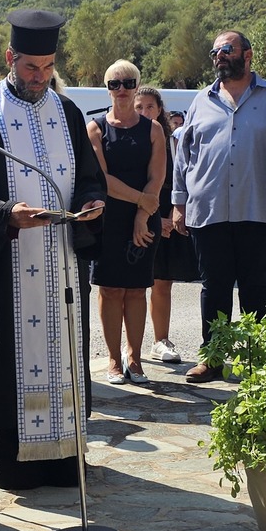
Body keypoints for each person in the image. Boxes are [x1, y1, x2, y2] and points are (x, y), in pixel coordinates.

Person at [0, 10, 105, 489]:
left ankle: (65, 456)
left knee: (67, 351)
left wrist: (92, 201)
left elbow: (90, 176)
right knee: (10, 353)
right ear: (10, 58)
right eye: (31, 67)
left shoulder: (67, 112)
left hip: (63, 261)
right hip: (11, 262)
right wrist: (7, 214)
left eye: (48, 67)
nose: (40, 77)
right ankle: (12, 460)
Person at [173, 30, 266, 382]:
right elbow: (184, 157)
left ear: (247, 54)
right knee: (214, 288)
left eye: (226, 49)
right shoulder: (202, 100)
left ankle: (259, 361)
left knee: (255, 287)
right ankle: (212, 359)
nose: (219, 57)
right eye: (215, 52)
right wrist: (178, 202)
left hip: (259, 209)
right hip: (209, 210)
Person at [88, 60, 166, 384]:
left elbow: (156, 177)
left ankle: (135, 359)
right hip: (109, 219)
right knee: (110, 290)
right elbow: (102, 179)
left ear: (137, 86)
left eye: (128, 83)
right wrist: (140, 201)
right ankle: (114, 360)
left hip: (144, 217)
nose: (121, 89)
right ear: (107, 89)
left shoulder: (153, 129)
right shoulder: (95, 129)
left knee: (136, 291)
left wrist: (142, 215)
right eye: (114, 84)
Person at [144, 99, 197, 365]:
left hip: (167, 215)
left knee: (162, 283)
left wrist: (170, 217)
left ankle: (160, 341)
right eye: (139, 107)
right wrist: (154, 220)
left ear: (160, 110)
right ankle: (126, 350)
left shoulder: (172, 143)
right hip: (134, 218)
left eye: (149, 107)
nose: (144, 112)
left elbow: (183, 179)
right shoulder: (122, 140)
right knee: (124, 288)